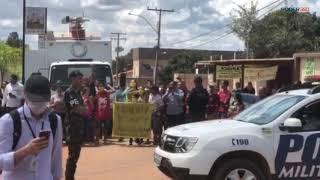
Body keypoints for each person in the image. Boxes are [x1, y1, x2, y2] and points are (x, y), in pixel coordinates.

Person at [0, 74, 63, 180]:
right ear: (25, 95)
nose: (38, 104)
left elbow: (56, 159)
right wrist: (25, 151)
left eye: (42, 101)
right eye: (34, 100)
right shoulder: (9, 121)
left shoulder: (55, 121)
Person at [64, 70, 87, 180]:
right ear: (73, 79)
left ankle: (70, 177)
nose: (81, 80)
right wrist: (84, 109)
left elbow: (83, 109)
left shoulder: (77, 93)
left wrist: (84, 109)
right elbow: (77, 109)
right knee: (72, 155)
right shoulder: (70, 93)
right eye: (79, 78)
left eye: (81, 78)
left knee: (76, 155)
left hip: (79, 127)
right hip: (73, 127)